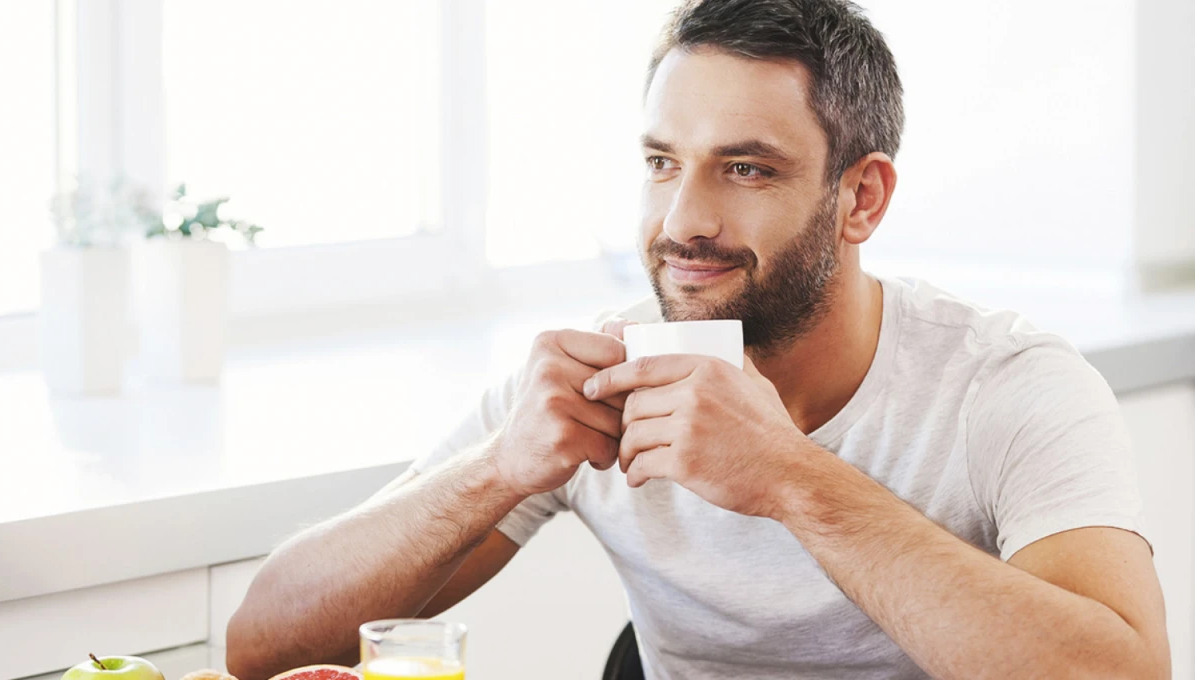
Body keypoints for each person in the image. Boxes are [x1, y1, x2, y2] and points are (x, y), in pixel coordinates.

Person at [226, 1, 1170, 678]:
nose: (684, 220)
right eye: (660, 163)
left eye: (746, 169)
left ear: (862, 197)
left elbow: (1123, 671)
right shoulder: (594, 376)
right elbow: (260, 645)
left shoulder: (1005, 386)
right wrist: (495, 469)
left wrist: (794, 480)